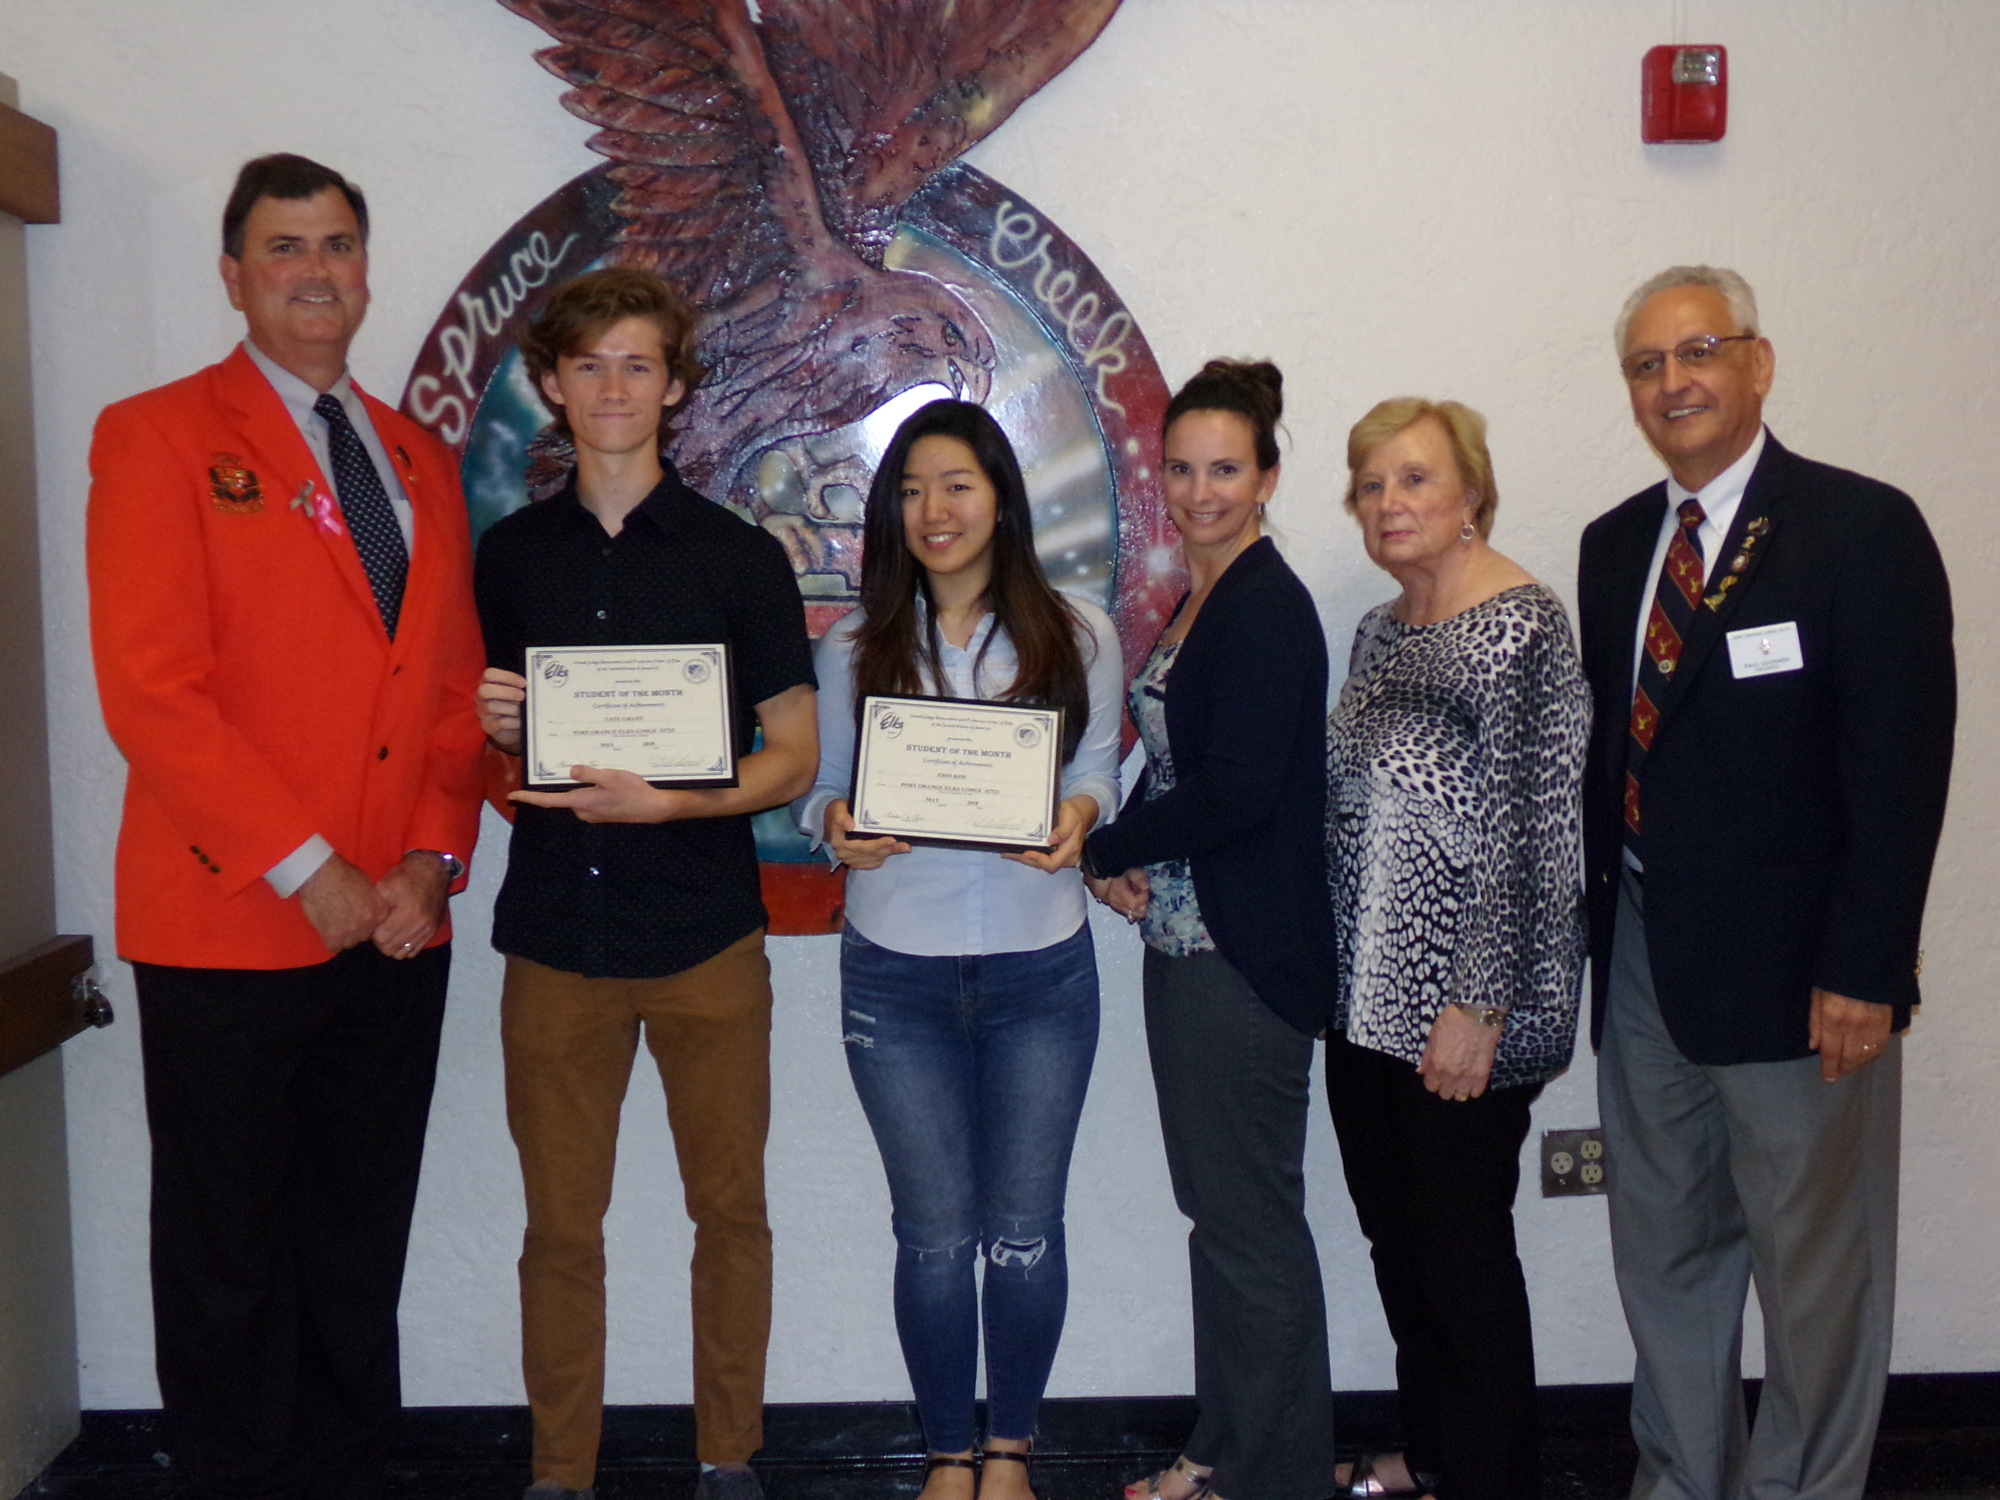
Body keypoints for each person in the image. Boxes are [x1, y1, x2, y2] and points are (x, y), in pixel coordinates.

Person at [85, 153, 487, 1497]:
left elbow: (448, 691)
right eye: (284, 249)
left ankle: (346, 1471)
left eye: (336, 247)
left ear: (366, 270)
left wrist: (431, 860)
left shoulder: (419, 459)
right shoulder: (155, 437)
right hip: (231, 921)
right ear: (235, 276)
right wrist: (309, 869)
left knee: (356, 1234)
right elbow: (154, 695)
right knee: (226, 1252)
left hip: (394, 933)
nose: (316, 271)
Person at [1579, 266, 1956, 1500]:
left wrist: (1865, 968)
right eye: (1646, 364)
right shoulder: (1615, 544)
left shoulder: (1859, 529)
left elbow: (1898, 767)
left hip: (1805, 980)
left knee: (1813, 1268)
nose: (1671, 383)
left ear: (1757, 363)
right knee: (1665, 1254)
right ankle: (1683, 1483)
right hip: (1642, 961)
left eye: (1697, 353)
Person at [472, 268, 818, 1500]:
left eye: (638, 365)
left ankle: (728, 1454)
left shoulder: (736, 558)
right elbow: (483, 754)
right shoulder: (507, 559)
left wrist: (673, 799)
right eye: (588, 366)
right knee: (560, 1234)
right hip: (556, 938)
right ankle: (560, 1471)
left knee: (730, 1218)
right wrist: (495, 728)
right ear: (551, 387)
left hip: (704, 939)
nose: (612, 389)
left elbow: (795, 751)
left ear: (673, 387)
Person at [793, 399, 1124, 1500]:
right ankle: (944, 1456)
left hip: (1041, 965)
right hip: (896, 970)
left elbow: (1093, 772)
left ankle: (1011, 1454)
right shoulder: (852, 645)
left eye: (957, 486)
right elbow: (827, 790)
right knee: (933, 1236)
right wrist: (836, 828)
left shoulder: (1075, 632)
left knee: (1024, 1230)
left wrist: (1079, 816)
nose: (934, 510)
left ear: (1000, 498)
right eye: (911, 490)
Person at [1079, 360, 1337, 1500]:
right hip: (1188, 948)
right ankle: (1218, 1451)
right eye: (1180, 468)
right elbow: (1180, 766)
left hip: (1241, 960)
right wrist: (1123, 844)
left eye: (1224, 469)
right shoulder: (1206, 599)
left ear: (1268, 476)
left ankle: (1268, 1476)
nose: (1197, 490)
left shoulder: (1268, 608)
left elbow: (1235, 792)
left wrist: (1102, 849)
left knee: (1249, 1228)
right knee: (1220, 1222)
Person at [1324, 398, 1589, 1500]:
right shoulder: (1378, 630)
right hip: (1364, 1003)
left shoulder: (1520, 628)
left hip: (1466, 1012)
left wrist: (1474, 1007)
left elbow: (1538, 833)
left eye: (1415, 479)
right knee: (1399, 1250)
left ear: (1469, 495)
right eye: (1372, 483)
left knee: (1461, 1260)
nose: (1391, 503)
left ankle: (1490, 1477)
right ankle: (1433, 1455)